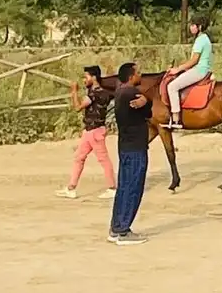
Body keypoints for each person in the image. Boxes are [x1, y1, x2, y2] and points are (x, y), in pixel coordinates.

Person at [55, 66, 117, 200]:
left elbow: (77, 107)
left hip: (93, 131)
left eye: (86, 77)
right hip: (92, 131)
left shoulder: (94, 94)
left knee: (103, 159)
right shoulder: (104, 93)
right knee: (79, 158)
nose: (84, 80)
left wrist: (74, 92)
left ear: (94, 77)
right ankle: (71, 188)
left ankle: (112, 187)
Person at [109, 62, 151, 245]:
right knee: (133, 188)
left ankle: (116, 226)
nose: (140, 75)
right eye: (138, 72)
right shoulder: (132, 93)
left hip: (125, 146)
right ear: (131, 76)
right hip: (135, 147)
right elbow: (149, 113)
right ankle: (123, 231)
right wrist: (146, 101)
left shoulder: (119, 93)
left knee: (124, 188)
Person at [163, 15, 214, 130]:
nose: (190, 28)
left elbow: (194, 60)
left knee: (172, 86)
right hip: (202, 69)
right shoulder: (203, 38)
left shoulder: (200, 40)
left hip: (199, 70)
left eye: (192, 25)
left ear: (199, 27)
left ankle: (176, 118)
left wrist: (178, 69)